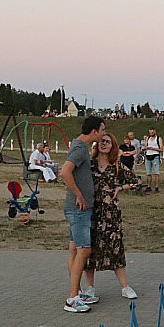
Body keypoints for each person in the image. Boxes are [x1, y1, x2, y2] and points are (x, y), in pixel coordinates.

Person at [82, 133, 139, 301]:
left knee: (115, 247)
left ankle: (124, 287)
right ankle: (90, 287)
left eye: (107, 142)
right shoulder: (90, 165)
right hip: (92, 212)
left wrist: (120, 188)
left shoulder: (117, 165)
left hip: (110, 213)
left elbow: (135, 181)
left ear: (112, 145)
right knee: (90, 249)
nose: (104, 144)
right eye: (101, 141)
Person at [60, 115, 106, 313]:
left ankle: (77, 291)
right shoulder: (79, 149)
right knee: (84, 250)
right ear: (94, 131)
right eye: (102, 130)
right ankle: (72, 298)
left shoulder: (81, 146)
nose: (103, 134)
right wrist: (79, 195)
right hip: (78, 209)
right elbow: (65, 172)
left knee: (74, 249)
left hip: (79, 208)